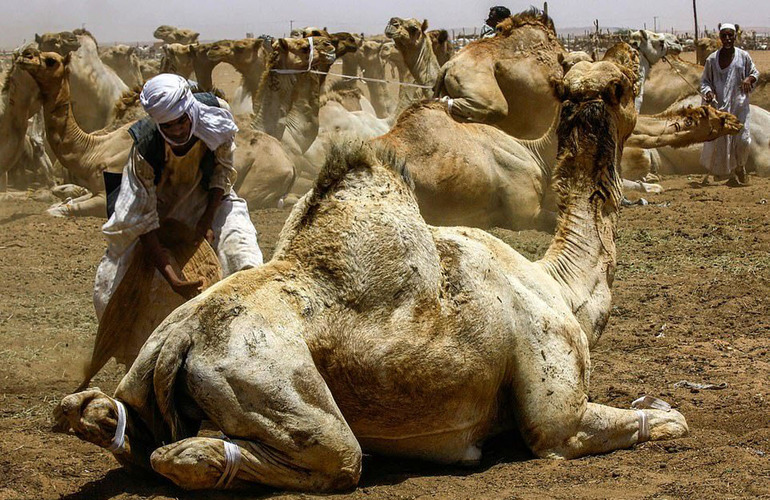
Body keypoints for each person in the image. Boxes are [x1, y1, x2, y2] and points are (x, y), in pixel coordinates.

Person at [94, 74, 264, 319]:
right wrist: (172, 279)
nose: (176, 130)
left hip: (210, 199)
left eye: (181, 121)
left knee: (243, 253)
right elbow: (142, 216)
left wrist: (206, 221)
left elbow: (222, 171)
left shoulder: (216, 116)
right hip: (161, 208)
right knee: (115, 289)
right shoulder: (145, 149)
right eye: (167, 126)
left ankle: (253, 321)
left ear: (190, 110)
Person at [700, 23, 759, 186]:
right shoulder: (712, 59)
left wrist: (749, 79)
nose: (727, 39)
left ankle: (740, 167)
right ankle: (724, 174)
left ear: (735, 37)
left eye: (730, 35)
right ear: (720, 37)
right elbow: (705, 81)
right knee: (721, 142)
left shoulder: (744, 56)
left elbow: (754, 72)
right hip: (720, 108)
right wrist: (708, 92)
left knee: (743, 139)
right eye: (724, 36)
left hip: (740, 105)